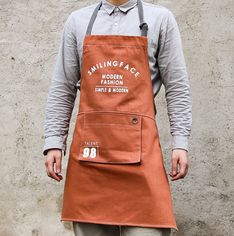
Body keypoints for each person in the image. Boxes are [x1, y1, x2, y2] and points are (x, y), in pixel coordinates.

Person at [43, 0, 192, 235]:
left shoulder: (160, 19)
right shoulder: (78, 21)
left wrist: (180, 142)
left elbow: (177, 86)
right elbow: (62, 87)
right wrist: (53, 141)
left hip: (142, 156)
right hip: (90, 158)